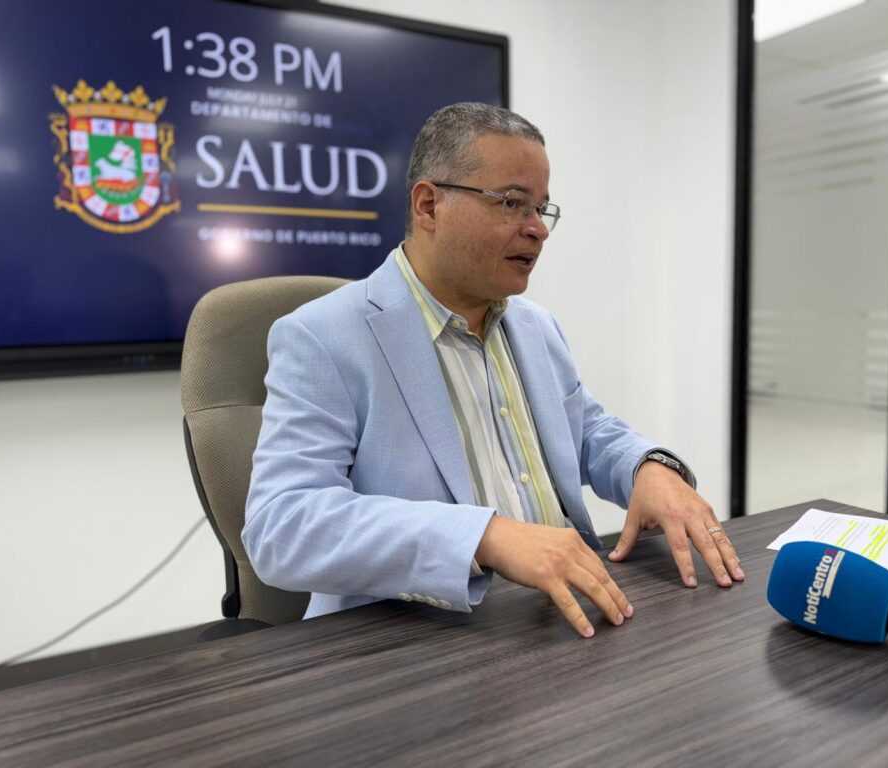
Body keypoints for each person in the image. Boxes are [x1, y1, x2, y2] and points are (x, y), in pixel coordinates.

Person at [243, 102, 744, 638]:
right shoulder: (322, 336)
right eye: (511, 203)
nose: (538, 230)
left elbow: (587, 432)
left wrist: (650, 468)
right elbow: (281, 526)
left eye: (542, 209)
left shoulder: (536, 326)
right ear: (429, 206)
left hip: (565, 613)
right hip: (421, 638)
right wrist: (484, 537)